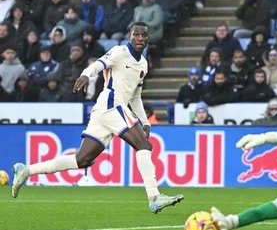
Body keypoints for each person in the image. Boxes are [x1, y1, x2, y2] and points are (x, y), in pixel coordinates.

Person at [11, 22, 184, 214]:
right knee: (144, 146)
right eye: (137, 35)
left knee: (82, 159)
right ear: (130, 35)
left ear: (148, 38)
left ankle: (26, 170)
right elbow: (98, 64)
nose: (140, 39)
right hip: (111, 106)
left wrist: (144, 122)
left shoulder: (143, 64)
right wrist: (85, 75)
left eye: (144, 36)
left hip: (105, 111)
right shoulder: (119, 52)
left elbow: (135, 96)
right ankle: (154, 197)